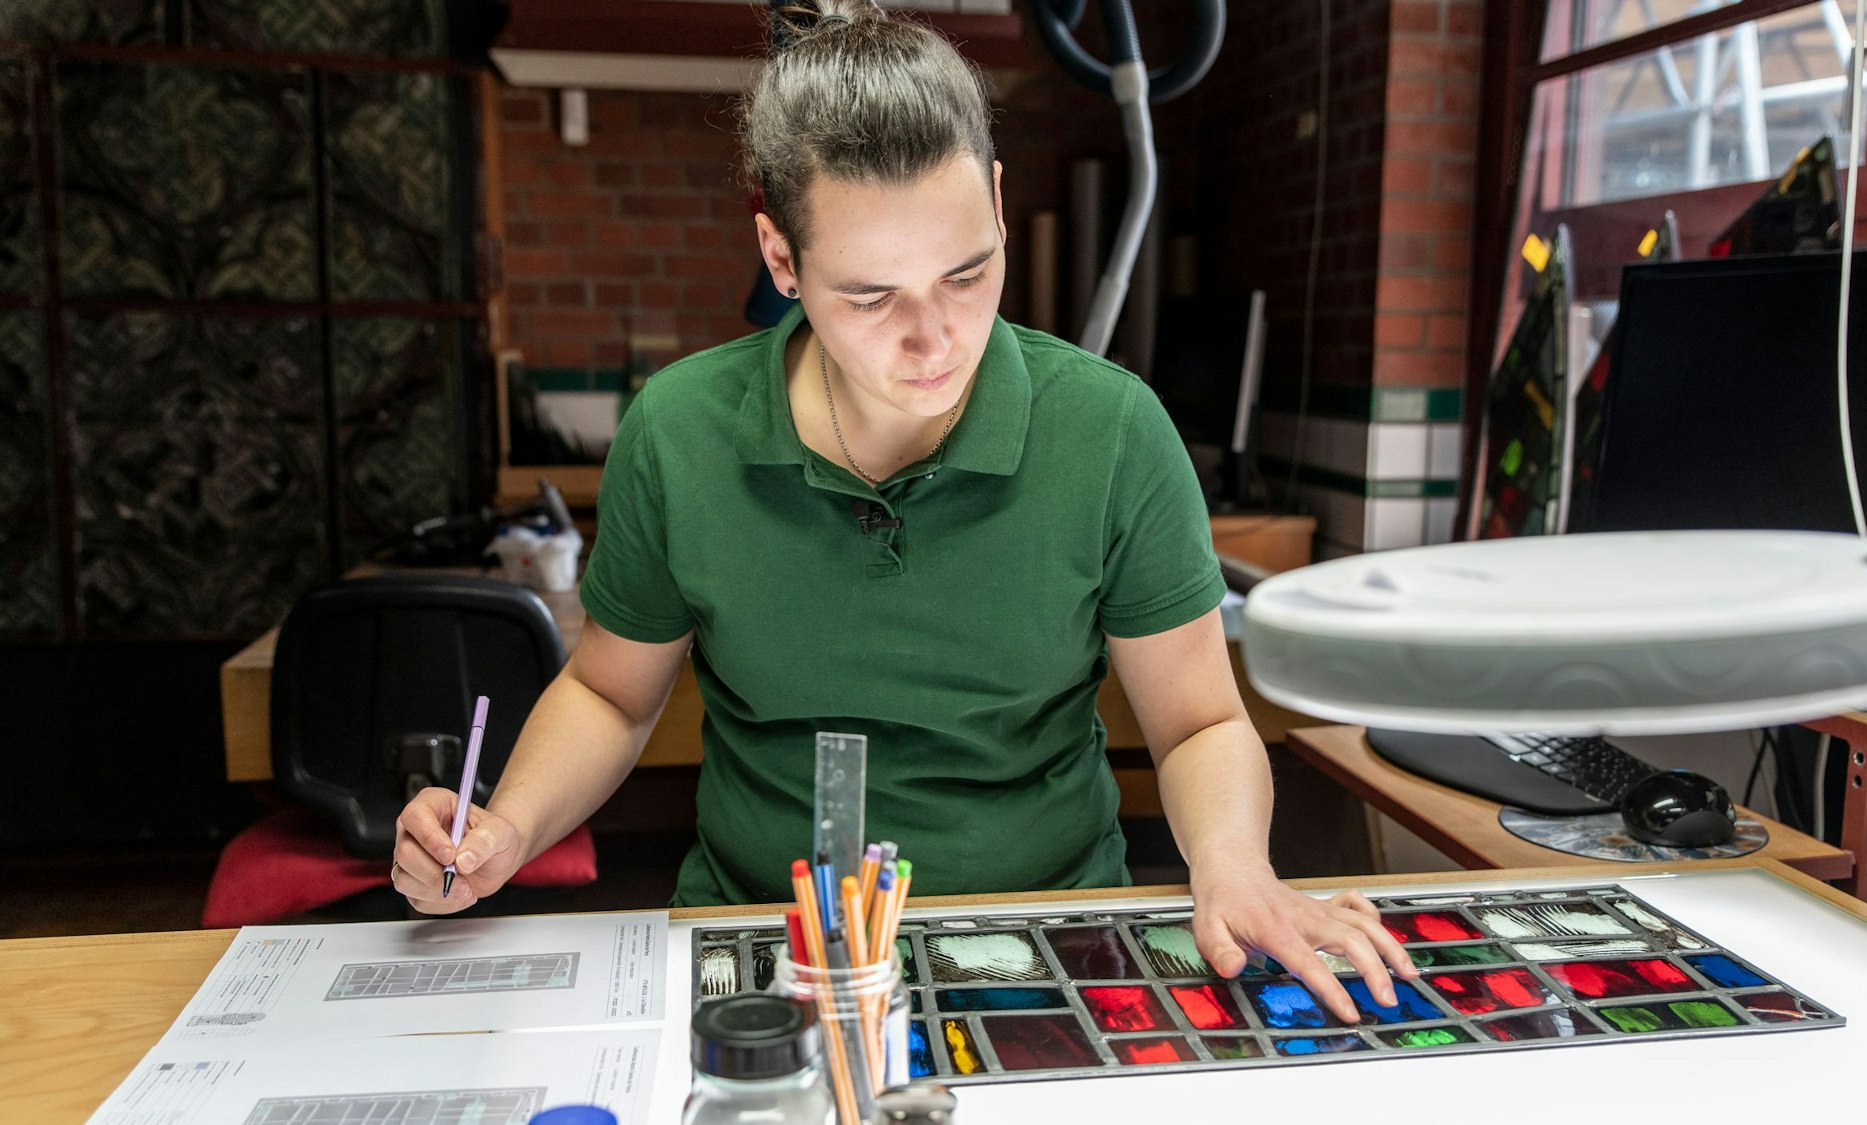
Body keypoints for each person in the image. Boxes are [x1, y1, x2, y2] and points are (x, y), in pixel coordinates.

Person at [390, 0, 1415, 1023]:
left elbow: (1196, 721)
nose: (934, 340)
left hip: (1049, 938)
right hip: (761, 944)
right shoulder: (678, 432)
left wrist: (1233, 866)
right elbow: (611, 696)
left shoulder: (1109, 434)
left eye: (965, 274)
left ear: (1000, 205)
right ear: (781, 260)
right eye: (871, 296)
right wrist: (508, 828)